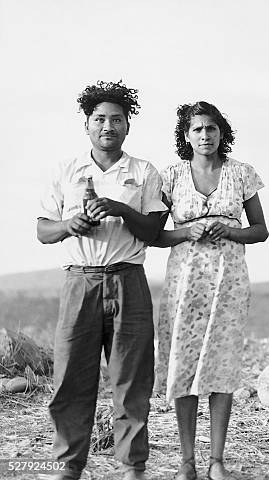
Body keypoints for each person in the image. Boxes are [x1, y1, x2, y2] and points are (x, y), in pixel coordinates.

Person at [37, 80, 167, 480]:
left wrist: (118, 208)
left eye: (116, 119)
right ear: (87, 125)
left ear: (128, 126)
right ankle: (68, 464)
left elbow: (153, 231)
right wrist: (69, 224)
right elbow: (43, 231)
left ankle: (131, 466)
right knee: (71, 378)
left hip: (129, 278)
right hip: (81, 281)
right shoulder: (66, 170)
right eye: (99, 119)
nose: (107, 126)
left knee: (131, 379)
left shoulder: (144, 171)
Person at [152, 101, 268, 480]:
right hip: (185, 280)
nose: (205, 135)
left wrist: (230, 230)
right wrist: (188, 231)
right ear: (186, 136)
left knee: (222, 363)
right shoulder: (170, 176)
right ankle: (187, 460)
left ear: (222, 133)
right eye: (197, 129)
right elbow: (156, 234)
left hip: (229, 279)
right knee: (184, 364)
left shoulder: (241, 173)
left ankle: (216, 459)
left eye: (212, 129)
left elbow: (260, 230)